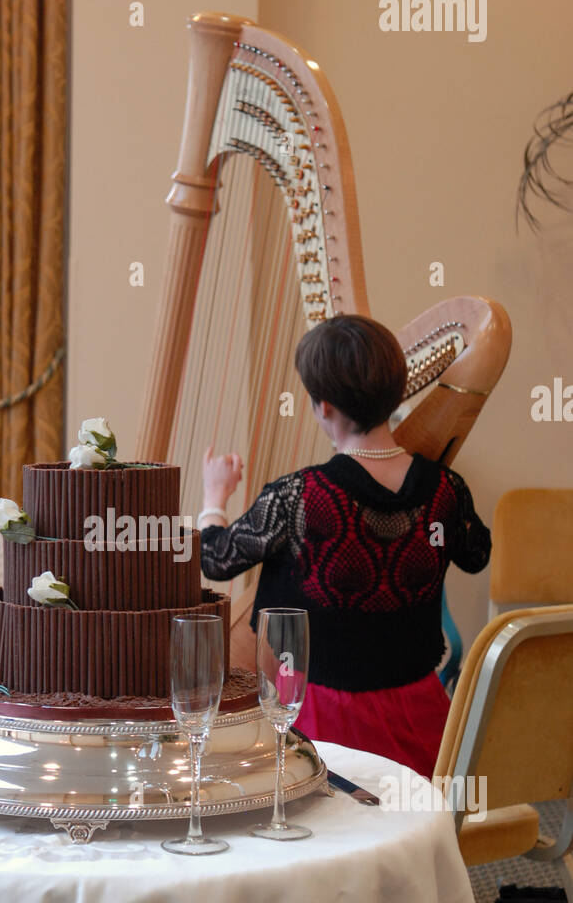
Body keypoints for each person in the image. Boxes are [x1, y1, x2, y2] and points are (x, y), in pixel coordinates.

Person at [198, 314, 491, 778]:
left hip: (319, 727)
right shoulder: (445, 489)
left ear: (325, 407)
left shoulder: (298, 496)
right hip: (421, 716)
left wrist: (214, 498)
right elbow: (477, 556)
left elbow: (215, 559)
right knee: (404, 824)